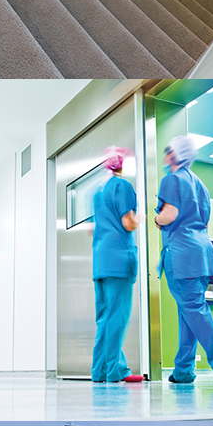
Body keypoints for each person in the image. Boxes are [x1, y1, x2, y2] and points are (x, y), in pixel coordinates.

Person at [155, 135, 213, 384]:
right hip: (201, 255)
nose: (165, 155)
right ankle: (182, 370)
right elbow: (204, 220)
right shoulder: (200, 184)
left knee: (195, 311)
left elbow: (169, 215)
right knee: (189, 312)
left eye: (167, 151)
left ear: (174, 155)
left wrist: (156, 218)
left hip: (182, 256)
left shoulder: (171, 179)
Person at [91, 147, 143, 383]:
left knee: (104, 317)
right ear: (122, 165)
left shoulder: (98, 192)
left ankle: (99, 371)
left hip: (101, 261)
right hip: (119, 259)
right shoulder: (122, 186)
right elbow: (128, 222)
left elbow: (94, 228)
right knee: (117, 317)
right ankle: (115, 371)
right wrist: (145, 217)